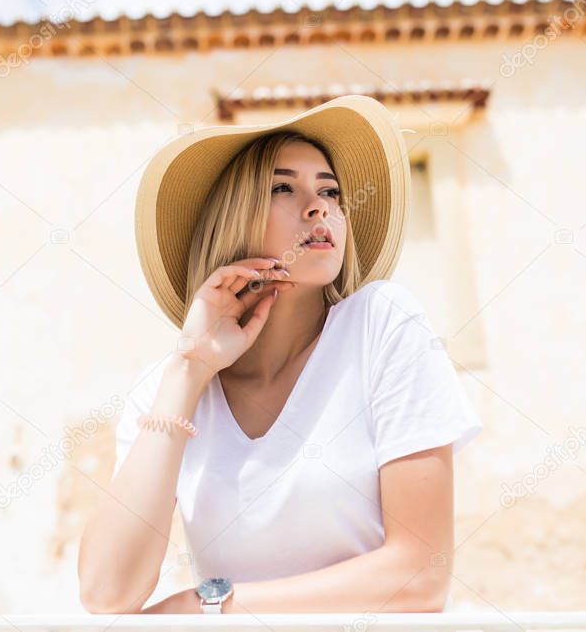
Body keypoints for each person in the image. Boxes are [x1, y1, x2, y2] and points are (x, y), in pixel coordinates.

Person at [77, 95, 483, 615]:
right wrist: (190, 369)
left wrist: (214, 607)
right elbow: (106, 592)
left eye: (331, 191)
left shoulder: (382, 324)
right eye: (283, 187)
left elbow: (420, 577)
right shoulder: (164, 390)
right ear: (231, 218)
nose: (320, 207)